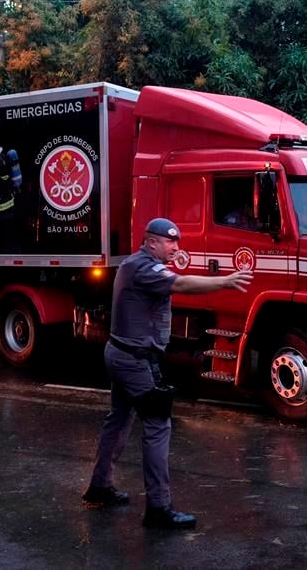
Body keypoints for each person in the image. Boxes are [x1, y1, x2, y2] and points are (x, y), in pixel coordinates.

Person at [82, 218, 254, 529]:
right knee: (158, 425)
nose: (176, 247)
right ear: (151, 242)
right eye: (170, 242)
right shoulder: (144, 268)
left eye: (177, 242)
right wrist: (226, 282)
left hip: (123, 356)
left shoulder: (137, 264)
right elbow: (182, 284)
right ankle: (159, 509)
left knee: (119, 420)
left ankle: (100, 485)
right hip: (134, 361)